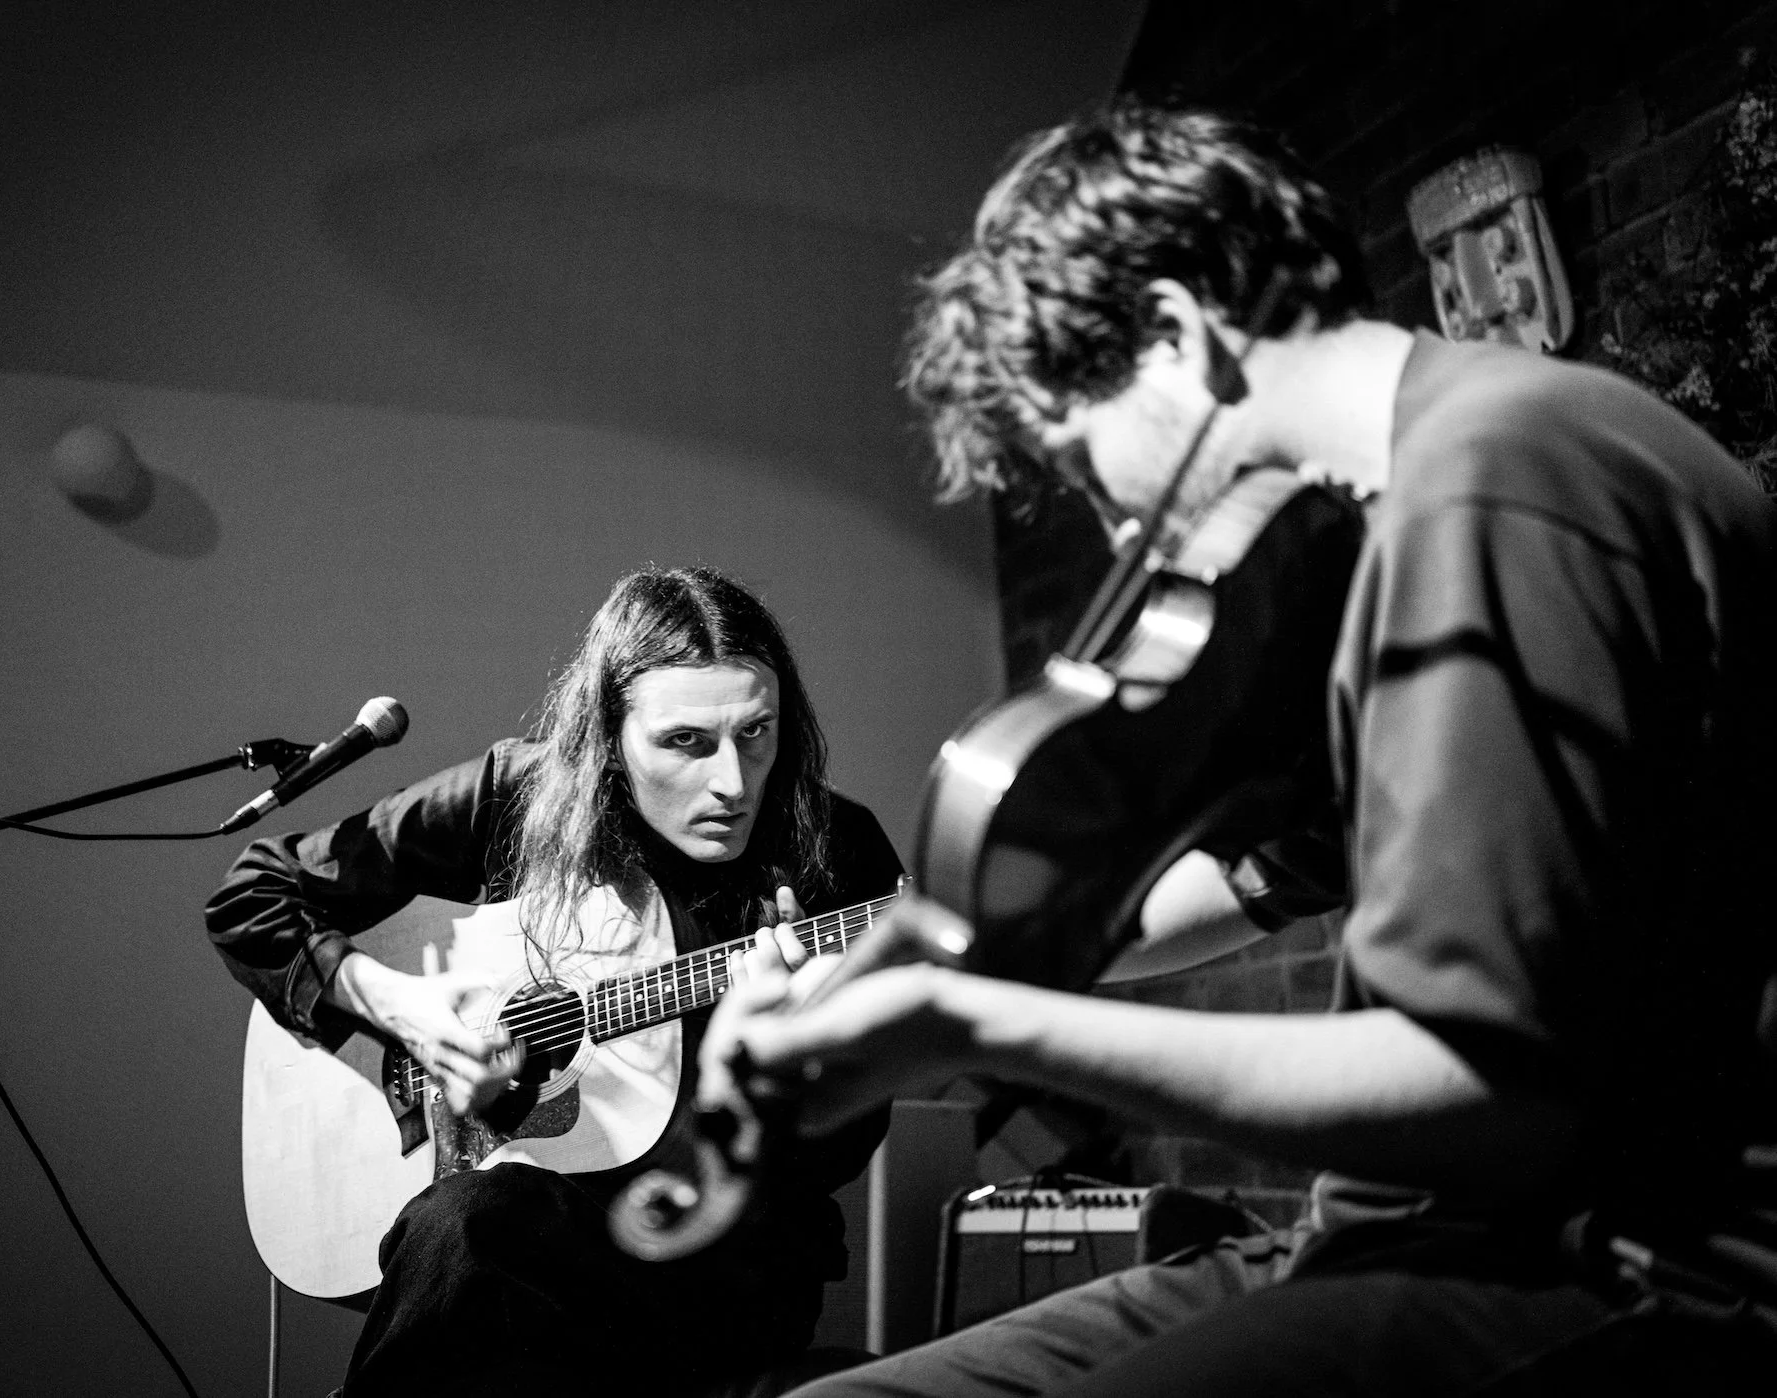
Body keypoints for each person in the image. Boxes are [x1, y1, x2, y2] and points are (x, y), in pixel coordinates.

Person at [701, 99, 1777, 1395]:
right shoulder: (1409, 511)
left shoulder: (1492, 480)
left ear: (1175, 332)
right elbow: (1244, 877)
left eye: (1088, 469)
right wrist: (888, 968)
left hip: (1626, 1258)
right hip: (1404, 1234)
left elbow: (1484, 1089)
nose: (1121, 533)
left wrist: (976, 1023)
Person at [205, 565, 903, 1398]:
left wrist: (785, 1065)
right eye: (685, 742)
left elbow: (839, 1153)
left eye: (756, 732)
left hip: (718, 1260)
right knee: (472, 1223)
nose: (732, 780)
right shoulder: (522, 796)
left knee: (473, 1229)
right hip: (502, 1234)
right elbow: (252, 895)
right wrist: (403, 1009)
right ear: (608, 736)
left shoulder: (837, 854)